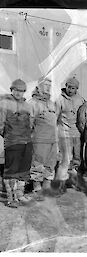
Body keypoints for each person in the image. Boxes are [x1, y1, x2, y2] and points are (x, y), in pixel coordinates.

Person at [0, 79, 34, 208]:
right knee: (11, 171)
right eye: (16, 90)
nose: (19, 93)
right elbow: (1, 124)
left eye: (21, 91)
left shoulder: (27, 105)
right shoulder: (4, 103)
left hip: (26, 141)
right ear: (11, 90)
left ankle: (20, 194)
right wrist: (10, 136)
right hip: (13, 142)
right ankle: (10, 198)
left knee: (24, 169)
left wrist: (27, 137)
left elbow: (30, 124)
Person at [28, 77, 59, 201]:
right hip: (39, 140)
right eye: (45, 85)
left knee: (50, 164)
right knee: (37, 164)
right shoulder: (33, 103)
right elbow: (28, 123)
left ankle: (47, 188)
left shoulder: (51, 103)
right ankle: (37, 188)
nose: (47, 87)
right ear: (39, 86)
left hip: (52, 140)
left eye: (49, 85)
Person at [55, 77, 85, 194]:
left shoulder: (80, 100)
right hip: (64, 134)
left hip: (77, 134)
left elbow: (84, 116)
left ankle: (74, 182)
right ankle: (60, 185)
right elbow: (55, 118)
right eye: (68, 87)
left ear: (76, 89)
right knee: (64, 160)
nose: (70, 90)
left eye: (73, 88)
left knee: (77, 160)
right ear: (66, 86)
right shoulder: (59, 100)